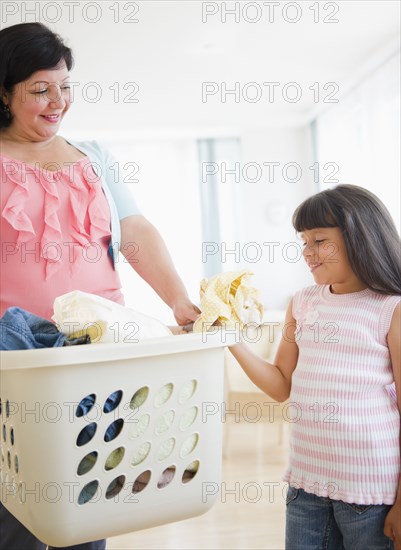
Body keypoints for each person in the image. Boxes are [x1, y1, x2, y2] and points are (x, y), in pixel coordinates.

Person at [0, 22, 200, 550]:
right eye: (40, 89)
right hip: (16, 358)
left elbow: (133, 232)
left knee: (92, 487)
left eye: (64, 86)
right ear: (4, 91)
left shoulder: (94, 156)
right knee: (17, 495)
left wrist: (178, 300)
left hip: (98, 352)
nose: (57, 101)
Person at [229, 184, 401, 550]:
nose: (308, 252)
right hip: (306, 486)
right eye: (304, 242)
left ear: (360, 236)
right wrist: (230, 339)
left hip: (370, 490)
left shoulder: (390, 308)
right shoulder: (303, 301)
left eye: (319, 240)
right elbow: (280, 385)